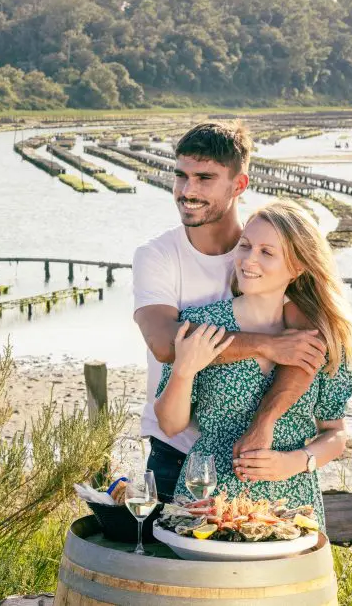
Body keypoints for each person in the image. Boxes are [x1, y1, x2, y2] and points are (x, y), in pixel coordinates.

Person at [133, 121, 328, 502]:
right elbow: (164, 344)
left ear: (239, 185)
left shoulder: (265, 251)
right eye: (181, 175)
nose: (187, 191)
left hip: (250, 453)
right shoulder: (156, 255)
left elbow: (306, 349)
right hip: (176, 449)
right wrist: (266, 344)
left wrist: (264, 422)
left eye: (204, 178)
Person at [154, 200, 352, 527]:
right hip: (207, 505)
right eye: (245, 246)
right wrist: (183, 371)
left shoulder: (325, 337)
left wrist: (295, 462)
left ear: (298, 266)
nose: (249, 260)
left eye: (267, 252)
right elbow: (170, 424)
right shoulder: (202, 323)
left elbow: (336, 433)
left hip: (291, 510)